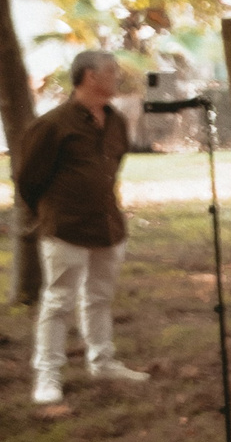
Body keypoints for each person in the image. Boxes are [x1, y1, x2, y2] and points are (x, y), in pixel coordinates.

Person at [17, 50, 143, 410]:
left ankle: (102, 363)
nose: (118, 77)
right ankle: (48, 375)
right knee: (58, 301)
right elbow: (29, 180)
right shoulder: (53, 124)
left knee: (100, 298)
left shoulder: (116, 120)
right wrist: (55, 210)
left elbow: (112, 167)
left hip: (107, 226)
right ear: (89, 76)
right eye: (112, 72)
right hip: (66, 227)